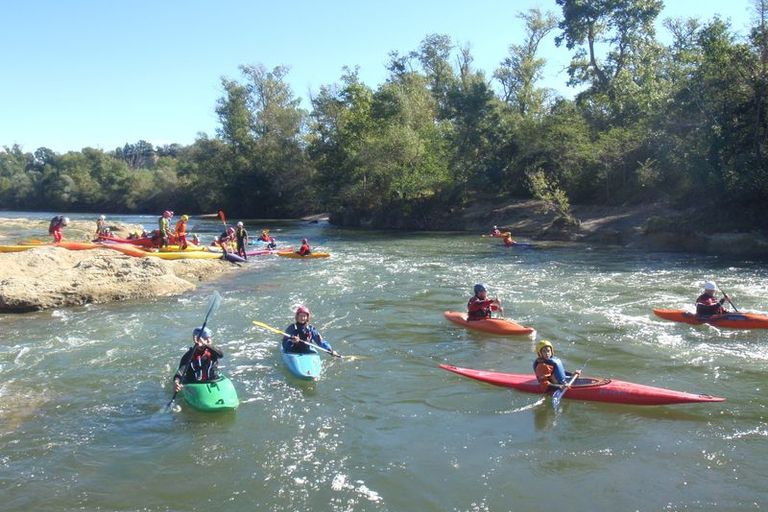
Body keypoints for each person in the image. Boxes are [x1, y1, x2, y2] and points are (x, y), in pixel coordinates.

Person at [172, 326, 224, 393]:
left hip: (213, 381)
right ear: (197, 340)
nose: (209, 340)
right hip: (195, 384)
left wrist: (205, 344)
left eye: (209, 338)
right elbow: (180, 372)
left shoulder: (213, 351)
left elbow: (220, 355)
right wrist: (176, 382)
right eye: (205, 338)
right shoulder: (189, 356)